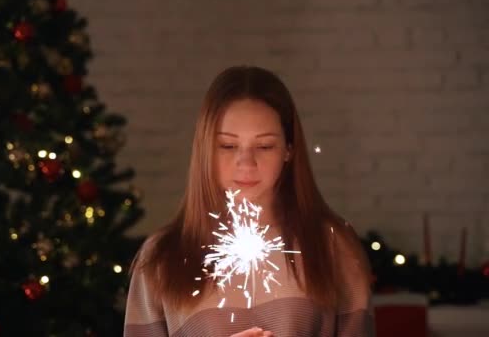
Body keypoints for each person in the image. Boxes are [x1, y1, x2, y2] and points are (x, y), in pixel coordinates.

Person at [124, 66, 374, 337]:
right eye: (228, 146)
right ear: (206, 148)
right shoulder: (161, 259)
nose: (246, 163)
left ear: (289, 149)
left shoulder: (333, 247)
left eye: (264, 146)